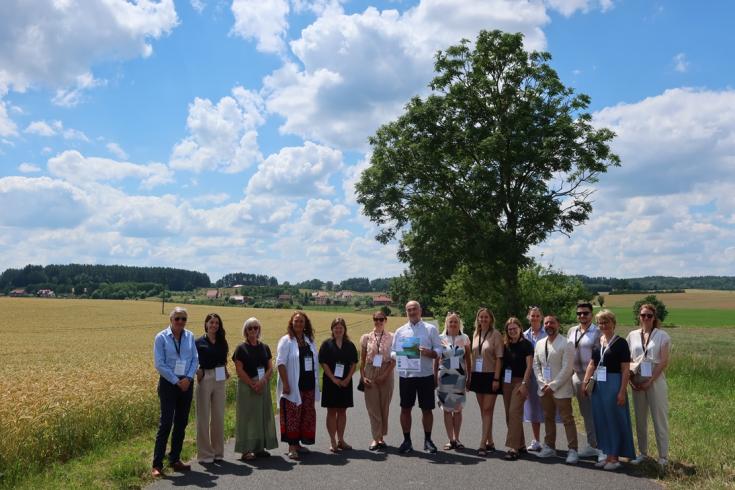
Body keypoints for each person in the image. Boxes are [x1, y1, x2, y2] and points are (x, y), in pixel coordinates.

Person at [582, 310, 635, 470]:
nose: (604, 325)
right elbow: (592, 363)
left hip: (614, 384)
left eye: (606, 322)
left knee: (614, 420)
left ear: (613, 323)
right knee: (601, 420)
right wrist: (585, 382)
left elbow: (625, 369)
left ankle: (615, 458)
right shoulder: (598, 341)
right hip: (599, 386)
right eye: (601, 323)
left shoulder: (621, 343)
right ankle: (606, 454)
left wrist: (621, 391)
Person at [152, 307, 198, 477]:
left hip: (186, 384)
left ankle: (175, 459)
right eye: (177, 318)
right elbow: (159, 363)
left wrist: (188, 378)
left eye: (183, 319)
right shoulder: (161, 337)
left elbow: (195, 359)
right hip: (168, 385)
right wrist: (176, 380)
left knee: (181, 422)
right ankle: (157, 464)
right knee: (165, 423)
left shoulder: (190, 336)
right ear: (171, 319)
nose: (180, 322)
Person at [391, 300, 443, 454]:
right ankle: (407, 440)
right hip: (406, 376)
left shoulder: (430, 329)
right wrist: (401, 355)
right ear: (406, 312)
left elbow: (439, 349)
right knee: (405, 409)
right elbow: (392, 352)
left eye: (414, 309)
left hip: (425, 375)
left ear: (420, 310)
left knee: (427, 409)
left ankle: (428, 440)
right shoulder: (400, 331)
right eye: (409, 310)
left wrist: (430, 353)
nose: (412, 312)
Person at [627, 303, 672, 467]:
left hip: (655, 380)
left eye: (649, 316)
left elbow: (664, 361)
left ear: (654, 318)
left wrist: (650, 381)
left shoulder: (662, 335)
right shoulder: (632, 335)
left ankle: (663, 457)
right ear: (639, 317)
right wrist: (630, 380)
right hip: (637, 378)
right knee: (640, 418)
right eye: (643, 315)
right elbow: (629, 360)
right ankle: (643, 453)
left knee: (659, 418)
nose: (646, 318)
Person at [533, 314, 579, 464]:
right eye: (546, 323)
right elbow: (536, 365)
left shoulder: (567, 343)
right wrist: (542, 383)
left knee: (567, 419)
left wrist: (552, 386)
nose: (548, 325)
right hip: (544, 388)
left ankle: (573, 450)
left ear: (558, 324)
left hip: (561, 389)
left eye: (552, 322)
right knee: (548, 418)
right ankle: (549, 447)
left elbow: (567, 369)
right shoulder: (540, 343)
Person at [232, 317, 278, 461]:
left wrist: (263, 381)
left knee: (261, 415)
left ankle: (259, 447)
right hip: (247, 386)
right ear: (245, 331)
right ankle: (245, 450)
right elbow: (239, 370)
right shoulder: (241, 348)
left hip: (262, 385)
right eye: (250, 328)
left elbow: (270, 367)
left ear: (259, 330)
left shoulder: (265, 347)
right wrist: (252, 384)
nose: (253, 330)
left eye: (256, 327)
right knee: (246, 417)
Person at [276, 311, 320, 460]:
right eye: (296, 321)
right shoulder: (286, 340)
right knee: (292, 416)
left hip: (308, 385)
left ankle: (299, 444)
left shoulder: (309, 340)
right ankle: (291, 447)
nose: (299, 324)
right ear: (291, 323)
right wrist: (286, 384)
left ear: (305, 323)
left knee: (305, 415)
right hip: (293, 385)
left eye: (301, 321)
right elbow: (280, 363)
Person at [567, 302, 603, 460]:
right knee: (585, 412)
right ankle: (591, 444)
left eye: (585, 313)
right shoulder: (572, 331)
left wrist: (588, 378)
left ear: (591, 314)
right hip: (576, 375)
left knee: (597, 412)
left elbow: (598, 356)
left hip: (593, 376)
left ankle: (602, 447)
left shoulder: (597, 331)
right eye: (579, 313)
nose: (582, 316)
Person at [319, 317, 359, 452]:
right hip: (330, 383)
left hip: (345, 383)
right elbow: (323, 363)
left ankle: (341, 440)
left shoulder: (350, 345)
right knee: (331, 411)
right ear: (332, 329)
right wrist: (333, 378)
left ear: (344, 329)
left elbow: (354, 363)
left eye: (341, 327)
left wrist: (348, 378)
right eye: (336, 327)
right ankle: (332, 441)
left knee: (342, 411)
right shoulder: (326, 344)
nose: (338, 329)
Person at [468, 307, 504, 456]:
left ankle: (482, 444)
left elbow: (499, 358)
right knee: (484, 410)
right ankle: (490, 441)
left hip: (491, 376)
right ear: (478, 319)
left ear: (491, 319)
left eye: (486, 317)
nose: (483, 319)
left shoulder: (496, 334)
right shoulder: (476, 333)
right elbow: (473, 356)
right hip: (477, 375)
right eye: (481, 317)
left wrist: (496, 378)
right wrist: (470, 376)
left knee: (488, 409)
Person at [194, 313, 229, 464]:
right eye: (211, 322)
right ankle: (205, 454)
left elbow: (224, 360)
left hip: (220, 377)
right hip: (205, 377)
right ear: (206, 324)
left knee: (218, 416)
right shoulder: (198, 342)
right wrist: (197, 370)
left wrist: (226, 370)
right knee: (203, 417)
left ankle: (218, 452)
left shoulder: (222, 341)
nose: (214, 325)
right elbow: (192, 360)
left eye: (217, 323)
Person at [434, 312, 471, 450]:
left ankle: (457, 438)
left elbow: (468, 359)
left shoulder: (465, 338)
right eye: (451, 322)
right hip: (444, 377)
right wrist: (434, 376)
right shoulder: (440, 338)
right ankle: (451, 439)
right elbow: (436, 359)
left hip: (460, 378)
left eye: (455, 322)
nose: (453, 324)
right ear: (446, 323)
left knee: (458, 409)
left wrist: (469, 377)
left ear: (459, 323)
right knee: (447, 410)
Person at [360, 311, 395, 451]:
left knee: (384, 406)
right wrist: (363, 377)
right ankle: (376, 438)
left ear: (385, 320)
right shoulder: (366, 338)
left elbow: (394, 359)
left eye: (381, 319)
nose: (378, 321)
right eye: (376, 319)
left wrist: (385, 375)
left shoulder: (392, 337)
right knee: (372, 407)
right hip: (370, 370)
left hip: (387, 371)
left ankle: (381, 437)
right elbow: (362, 360)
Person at [501, 317, 533, 460]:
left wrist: (525, 384)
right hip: (507, 382)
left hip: (520, 382)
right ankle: (521, 444)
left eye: (515, 328)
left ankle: (513, 448)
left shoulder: (526, 345)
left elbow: (529, 366)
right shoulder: (505, 344)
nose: (512, 331)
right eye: (510, 329)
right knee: (510, 414)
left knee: (514, 411)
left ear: (520, 328)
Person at [523, 306, 547, 452]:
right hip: (530, 375)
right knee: (533, 408)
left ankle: (550, 442)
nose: (535, 318)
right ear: (528, 317)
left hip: (546, 375)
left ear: (541, 317)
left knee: (548, 408)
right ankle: (536, 440)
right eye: (533, 316)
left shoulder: (547, 333)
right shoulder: (524, 335)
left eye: (537, 316)